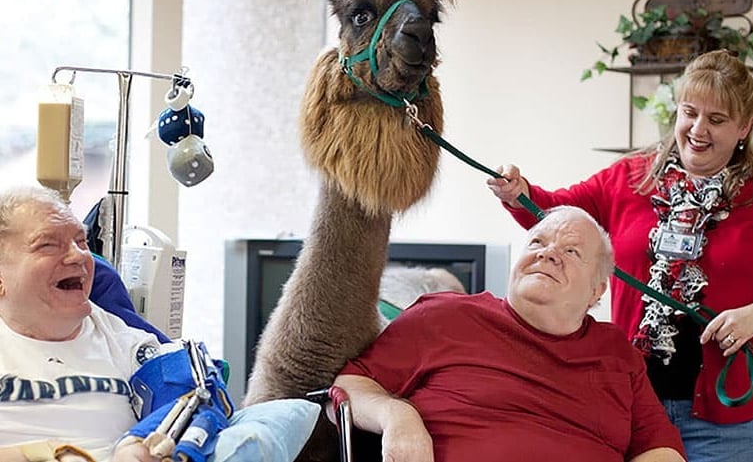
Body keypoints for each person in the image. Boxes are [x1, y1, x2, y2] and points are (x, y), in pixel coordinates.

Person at [487, 49, 753, 462]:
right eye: (690, 113)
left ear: (745, 126)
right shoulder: (629, 178)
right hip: (632, 406)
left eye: (717, 119)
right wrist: (519, 193)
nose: (698, 130)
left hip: (725, 424)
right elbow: (555, 214)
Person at [333, 206, 686, 462]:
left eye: (571, 251)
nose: (548, 254)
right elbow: (348, 387)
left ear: (597, 291)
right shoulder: (443, 316)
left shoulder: (616, 353)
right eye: (537, 242)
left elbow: (661, 449)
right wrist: (396, 415)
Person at [0, 185, 319, 462]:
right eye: (48, 245)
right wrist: (43, 453)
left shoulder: (126, 342)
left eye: (81, 242)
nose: (77, 257)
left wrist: (139, 443)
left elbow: (190, 394)